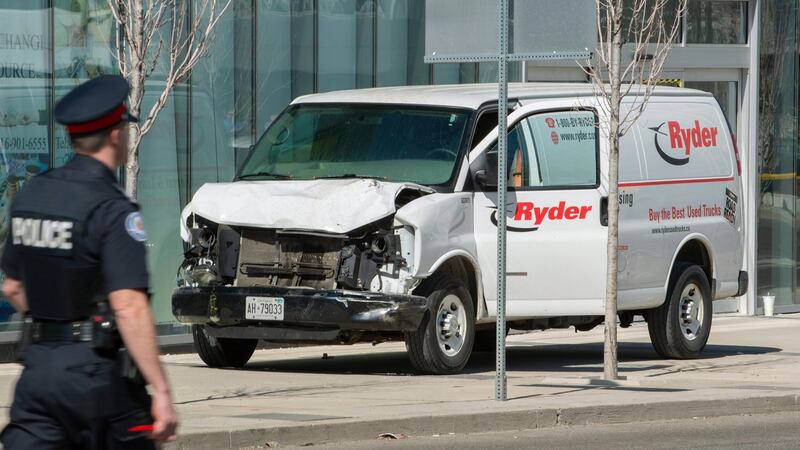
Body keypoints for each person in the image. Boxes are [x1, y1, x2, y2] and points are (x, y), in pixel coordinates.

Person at [0, 75, 178, 449]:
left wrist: (55, 320)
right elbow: (128, 306)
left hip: (39, 373)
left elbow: (12, 286)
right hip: (97, 381)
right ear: (116, 136)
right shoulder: (113, 210)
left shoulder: (32, 195)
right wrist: (160, 389)